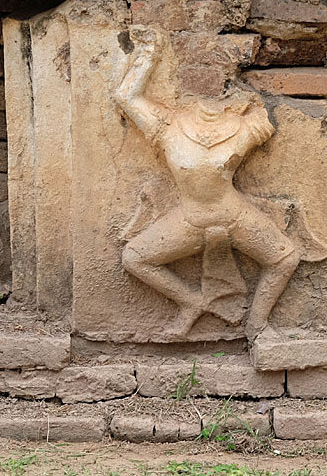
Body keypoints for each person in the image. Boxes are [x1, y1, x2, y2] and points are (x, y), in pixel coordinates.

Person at [114, 26, 300, 338]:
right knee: (134, 258)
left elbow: (263, 120)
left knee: (286, 257)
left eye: (215, 67)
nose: (206, 78)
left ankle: (257, 325)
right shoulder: (168, 126)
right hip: (189, 220)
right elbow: (125, 96)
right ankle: (191, 303)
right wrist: (150, 53)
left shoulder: (245, 126)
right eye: (197, 67)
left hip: (233, 215)